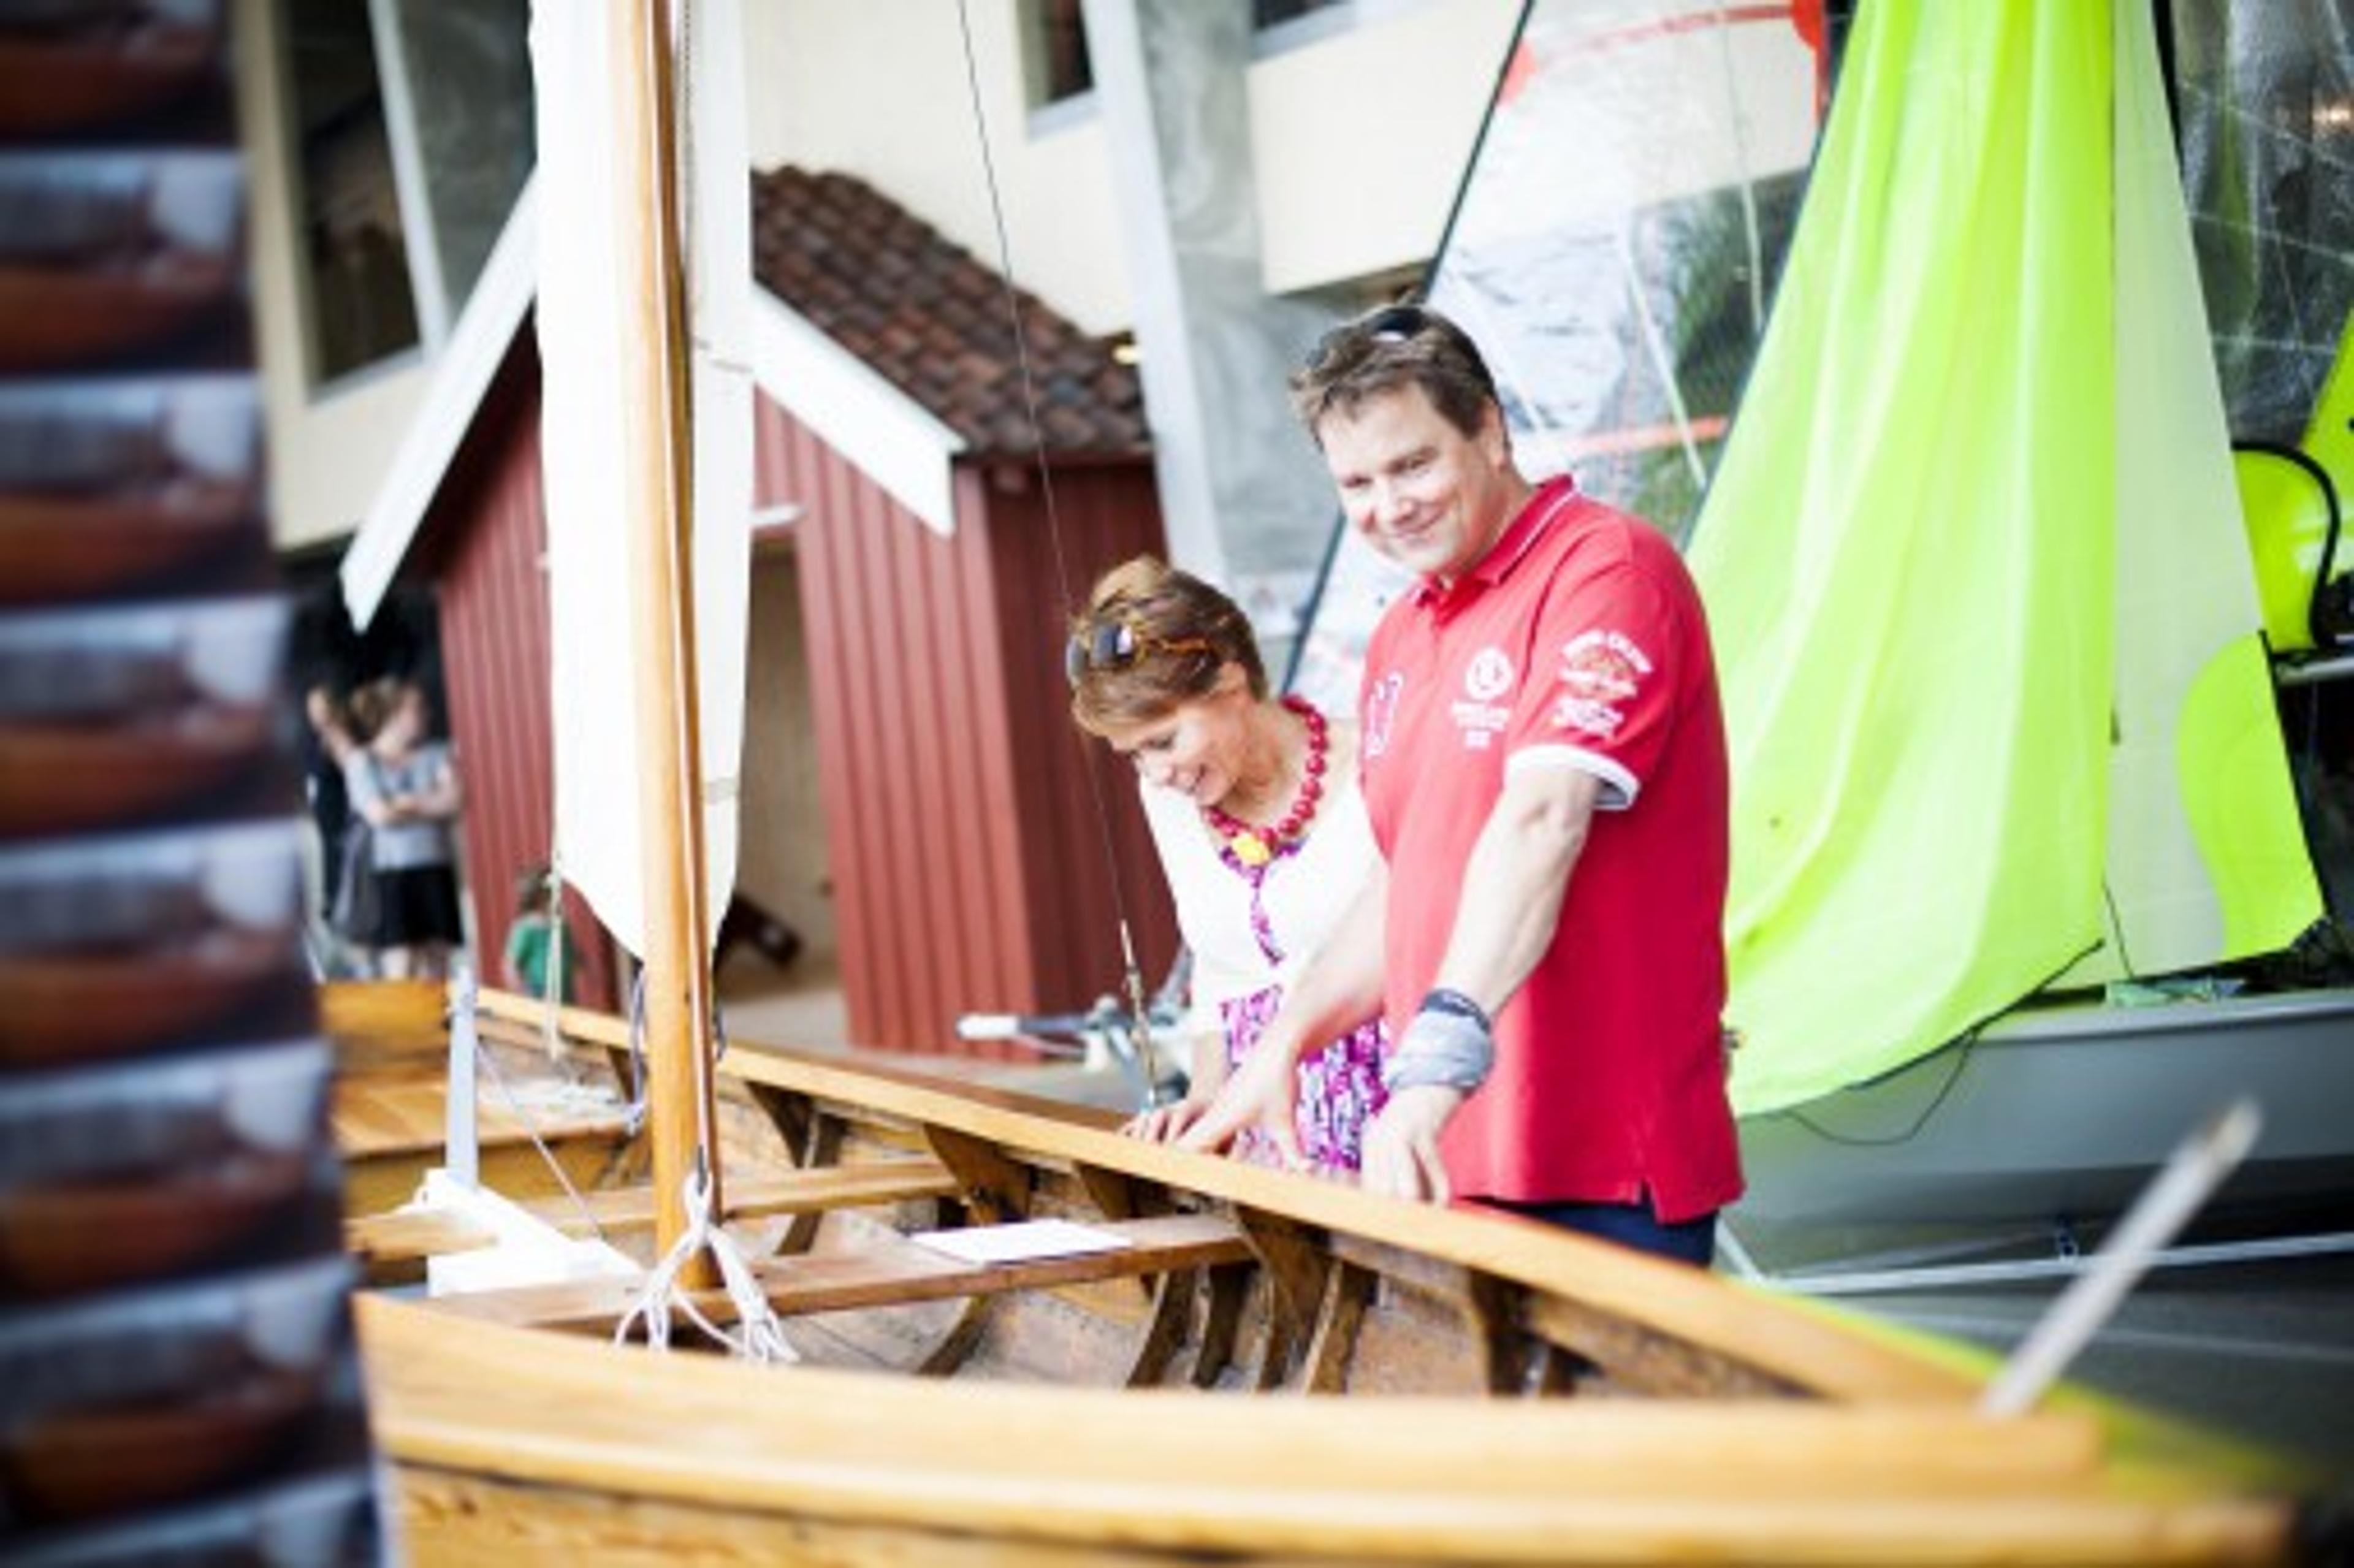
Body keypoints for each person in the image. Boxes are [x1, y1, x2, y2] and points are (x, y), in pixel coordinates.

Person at [1181, 303, 1742, 1265]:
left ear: (1490, 429)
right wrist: (1283, 1042)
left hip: (1601, 1156)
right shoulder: (1404, 631)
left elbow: (1543, 820)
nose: (1389, 505)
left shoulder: (1606, 570)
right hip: (1448, 1152)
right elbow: (1407, 884)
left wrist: (1434, 1066)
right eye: (1356, 481)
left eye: (1413, 464)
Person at [1067, 556, 1388, 1174]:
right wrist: (1206, 1094)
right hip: (1269, 1140)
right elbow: (1220, 967)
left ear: (1231, 686)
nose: (1156, 772)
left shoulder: (1379, 761)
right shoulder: (1169, 796)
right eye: (1133, 756)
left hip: (1395, 1123)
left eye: (1163, 740)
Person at [340, 676, 466, 980]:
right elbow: (379, 815)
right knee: (402, 958)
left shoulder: (437, 753)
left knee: (438, 960)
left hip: (435, 866)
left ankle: (437, 1028)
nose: (426, 715)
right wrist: (428, 801)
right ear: (395, 714)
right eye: (417, 709)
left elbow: (454, 802)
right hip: (391, 873)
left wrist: (404, 802)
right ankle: (403, 1029)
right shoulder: (363, 761)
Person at [501, 862, 582, 1005]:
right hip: (540, 993)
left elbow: (571, 951)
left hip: (565, 991)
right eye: (550, 891)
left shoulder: (560, 923)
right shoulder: (526, 928)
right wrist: (525, 993)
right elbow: (511, 966)